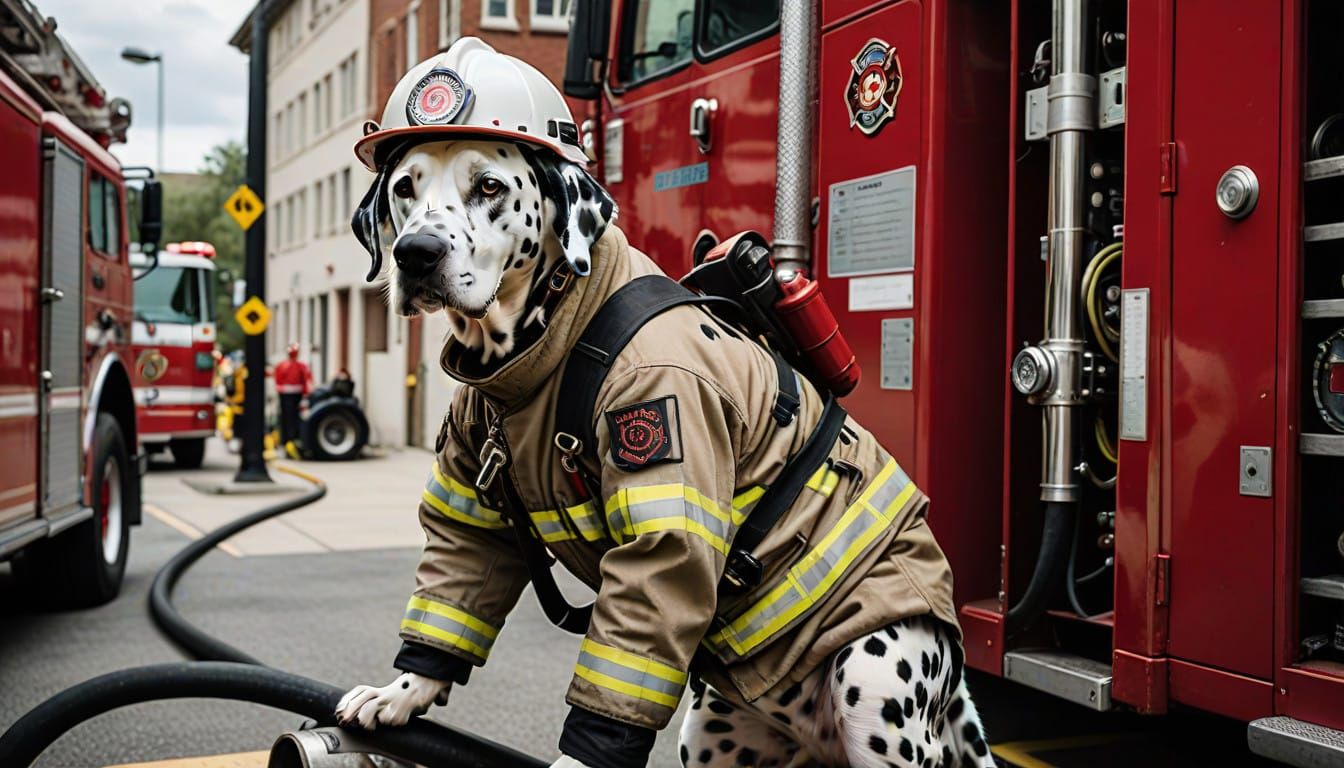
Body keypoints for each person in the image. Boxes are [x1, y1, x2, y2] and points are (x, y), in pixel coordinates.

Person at [335, 37, 993, 768]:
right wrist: (421, 672)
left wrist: (596, 752)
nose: (425, 235)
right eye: (409, 193)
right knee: (703, 750)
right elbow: (471, 530)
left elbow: (664, 559)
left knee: (873, 724)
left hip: (867, 620)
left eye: (484, 190)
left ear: (565, 214)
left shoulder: (647, 369)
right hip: (750, 669)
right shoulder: (494, 388)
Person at [273, 343, 312, 450]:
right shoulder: (298, 366)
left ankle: (288, 440)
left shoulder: (284, 365)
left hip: (287, 395)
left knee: (287, 418)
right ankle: (290, 440)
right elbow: (307, 381)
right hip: (292, 395)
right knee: (291, 419)